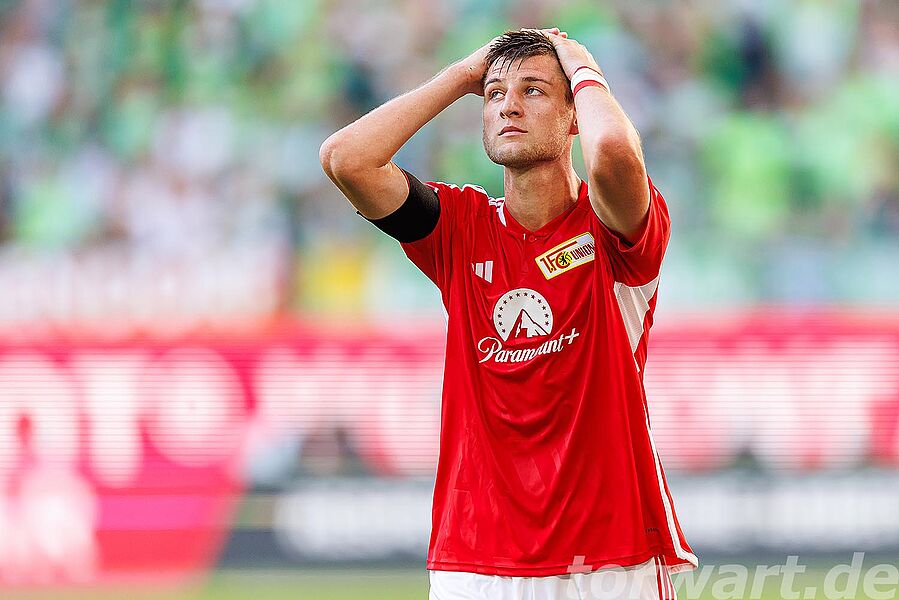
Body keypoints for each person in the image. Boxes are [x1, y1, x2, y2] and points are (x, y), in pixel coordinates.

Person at [320, 27, 697, 600]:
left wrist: (582, 66)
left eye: (534, 90)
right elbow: (346, 159)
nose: (509, 106)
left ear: (574, 116)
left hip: (610, 558)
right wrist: (461, 76)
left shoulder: (613, 229)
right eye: (495, 94)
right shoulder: (459, 228)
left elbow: (613, 154)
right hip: (475, 563)